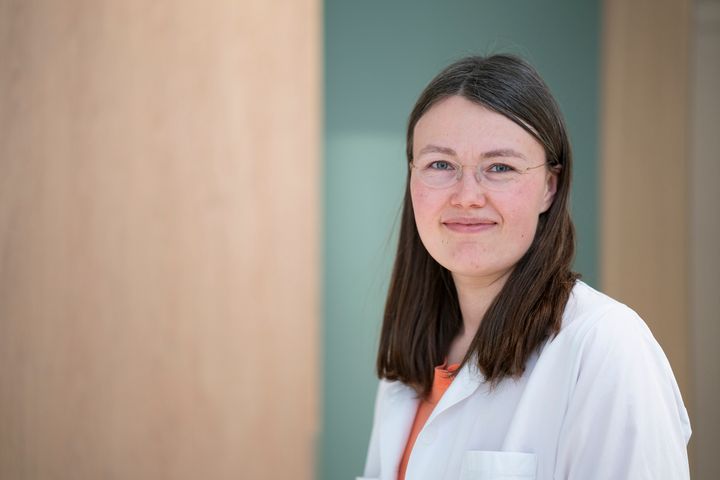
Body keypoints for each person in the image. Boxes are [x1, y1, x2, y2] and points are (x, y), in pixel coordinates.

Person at [358, 55, 691, 480]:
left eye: (500, 167)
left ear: (549, 188)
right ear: (412, 178)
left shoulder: (606, 346)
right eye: (440, 165)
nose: (467, 196)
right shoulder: (413, 361)